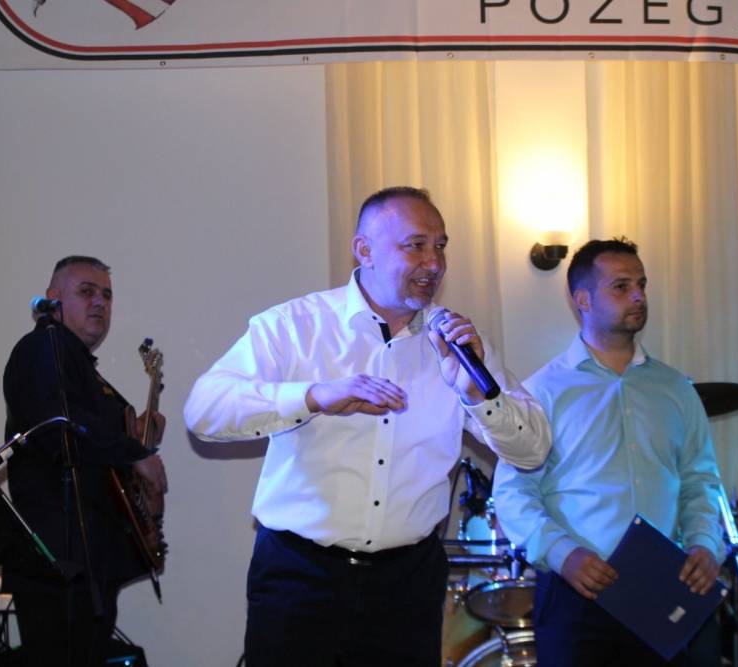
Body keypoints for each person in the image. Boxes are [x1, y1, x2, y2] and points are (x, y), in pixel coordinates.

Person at [184, 186, 550, 666]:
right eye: (415, 245)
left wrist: (479, 396)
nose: (434, 263)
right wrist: (313, 396)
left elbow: (533, 451)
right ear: (364, 250)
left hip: (408, 585)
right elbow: (203, 411)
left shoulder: (458, 343)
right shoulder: (295, 326)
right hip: (300, 577)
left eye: (440, 246)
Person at [493, 238, 726, 666]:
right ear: (582, 299)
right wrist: (564, 554)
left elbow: (700, 480)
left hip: (662, 589)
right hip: (576, 592)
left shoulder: (676, 389)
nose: (638, 296)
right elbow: (512, 494)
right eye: (621, 286)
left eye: (641, 285)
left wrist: (704, 544)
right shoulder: (542, 392)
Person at [2, 255, 168, 667]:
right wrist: (135, 454)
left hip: (87, 564)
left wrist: (137, 433)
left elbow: (93, 435)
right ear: (52, 299)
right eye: (87, 292)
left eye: (106, 296)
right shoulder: (43, 347)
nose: (99, 302)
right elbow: (61, 425)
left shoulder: (79, 367)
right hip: (59, 564)